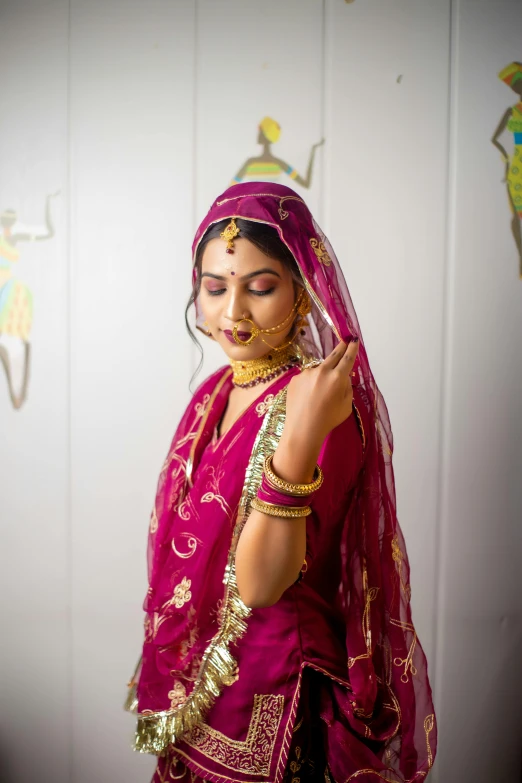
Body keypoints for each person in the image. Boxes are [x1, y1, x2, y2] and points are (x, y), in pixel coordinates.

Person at [125, 182, 437, 782]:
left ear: (302, 290)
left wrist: (299, 436)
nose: (232, 313)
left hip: (278, 701)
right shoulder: (214, 394)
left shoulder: (322, 403)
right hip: (201, 693)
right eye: (214, 289)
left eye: (260, 288)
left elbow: (261, 585)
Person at [492, 62, 522, 277]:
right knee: (516, 216)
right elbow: (495, 139)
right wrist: (505, 158)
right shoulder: (511, 111)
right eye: (517, 85)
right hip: (517, 166)